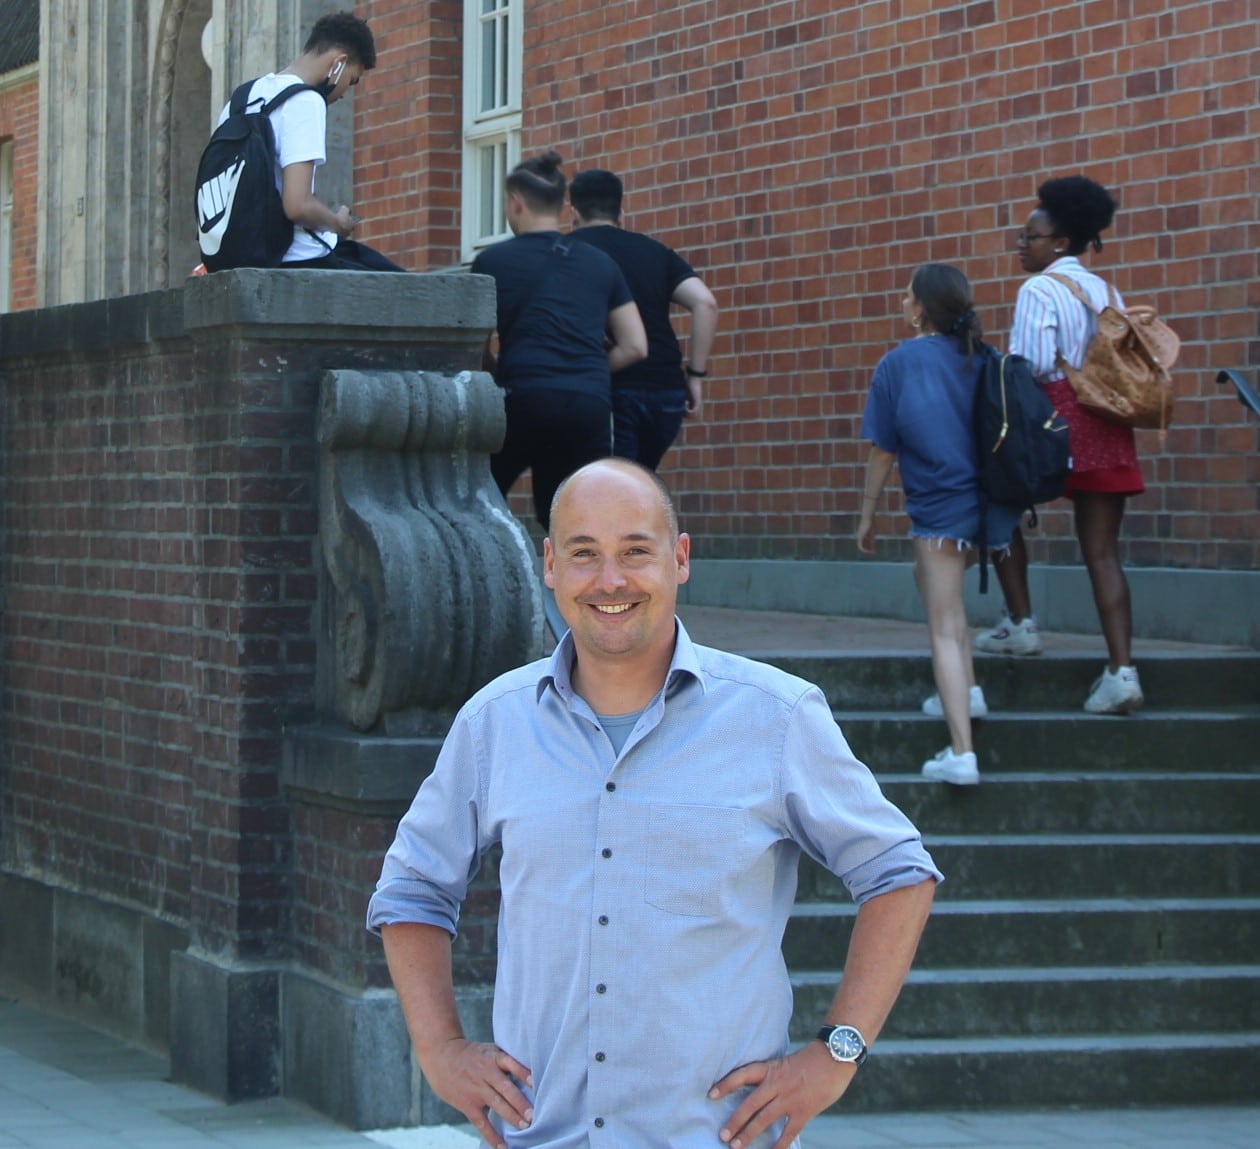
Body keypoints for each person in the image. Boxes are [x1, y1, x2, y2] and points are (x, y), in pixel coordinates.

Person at [368, 458, 940, 1149]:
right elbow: (412, 886)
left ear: (681, 557)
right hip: (543, 1136)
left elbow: (898, 874)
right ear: (549, 565)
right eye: (584, 554)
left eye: (636, 551)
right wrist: (439, 1049)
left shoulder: (776, 716)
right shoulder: (494, 723)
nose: (611, 580)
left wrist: (836, 1052)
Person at [979, 176, 1144, 715]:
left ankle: (1021, 621)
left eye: (1031, 236)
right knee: (1102, 552)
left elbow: (1030, 365)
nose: (1021, 244)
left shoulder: (1040, 289)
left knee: (998, 507)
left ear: (1061, 242)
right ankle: (1121, 671)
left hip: (1049, 424)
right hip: (1107, 425)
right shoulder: (1109, 293)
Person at [856, 265, 1024, 787]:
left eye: (907, 295)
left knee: (945, 627)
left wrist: (867, 513)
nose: (902, 301)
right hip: (991, 509)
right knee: (932, 587)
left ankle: (961, 752)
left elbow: (883, 452)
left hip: (940, 510)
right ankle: (964, 691)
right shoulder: (984, 357)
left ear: (921, 307)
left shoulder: (898, 364)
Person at [473, 153, 646, 529]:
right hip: (588, 403)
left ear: (516, 202)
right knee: (577, 519)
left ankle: (491, 581)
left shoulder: (492, 262)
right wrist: (593, 370)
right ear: (562, 206)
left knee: (479, 496)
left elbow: (475, 347)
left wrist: (498, 372)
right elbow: (635, 345)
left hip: (524, 396)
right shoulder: (600, 262)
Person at [217, 13, 403, 272]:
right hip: (296, 256)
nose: (344, 94)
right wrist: (338, 224)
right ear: (339, 63)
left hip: (237, 253)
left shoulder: (239, 100)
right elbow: (297, 205)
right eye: (351, 81)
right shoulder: (305, 100)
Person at [567, 169, 720, 470]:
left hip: (610, 391)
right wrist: (696, 376)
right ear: (621, 213)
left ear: (573, 213)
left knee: (612, 492)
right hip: (666, 392)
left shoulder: (568, 253)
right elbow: (706, 303)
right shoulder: (655, 252)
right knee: (640, 487)